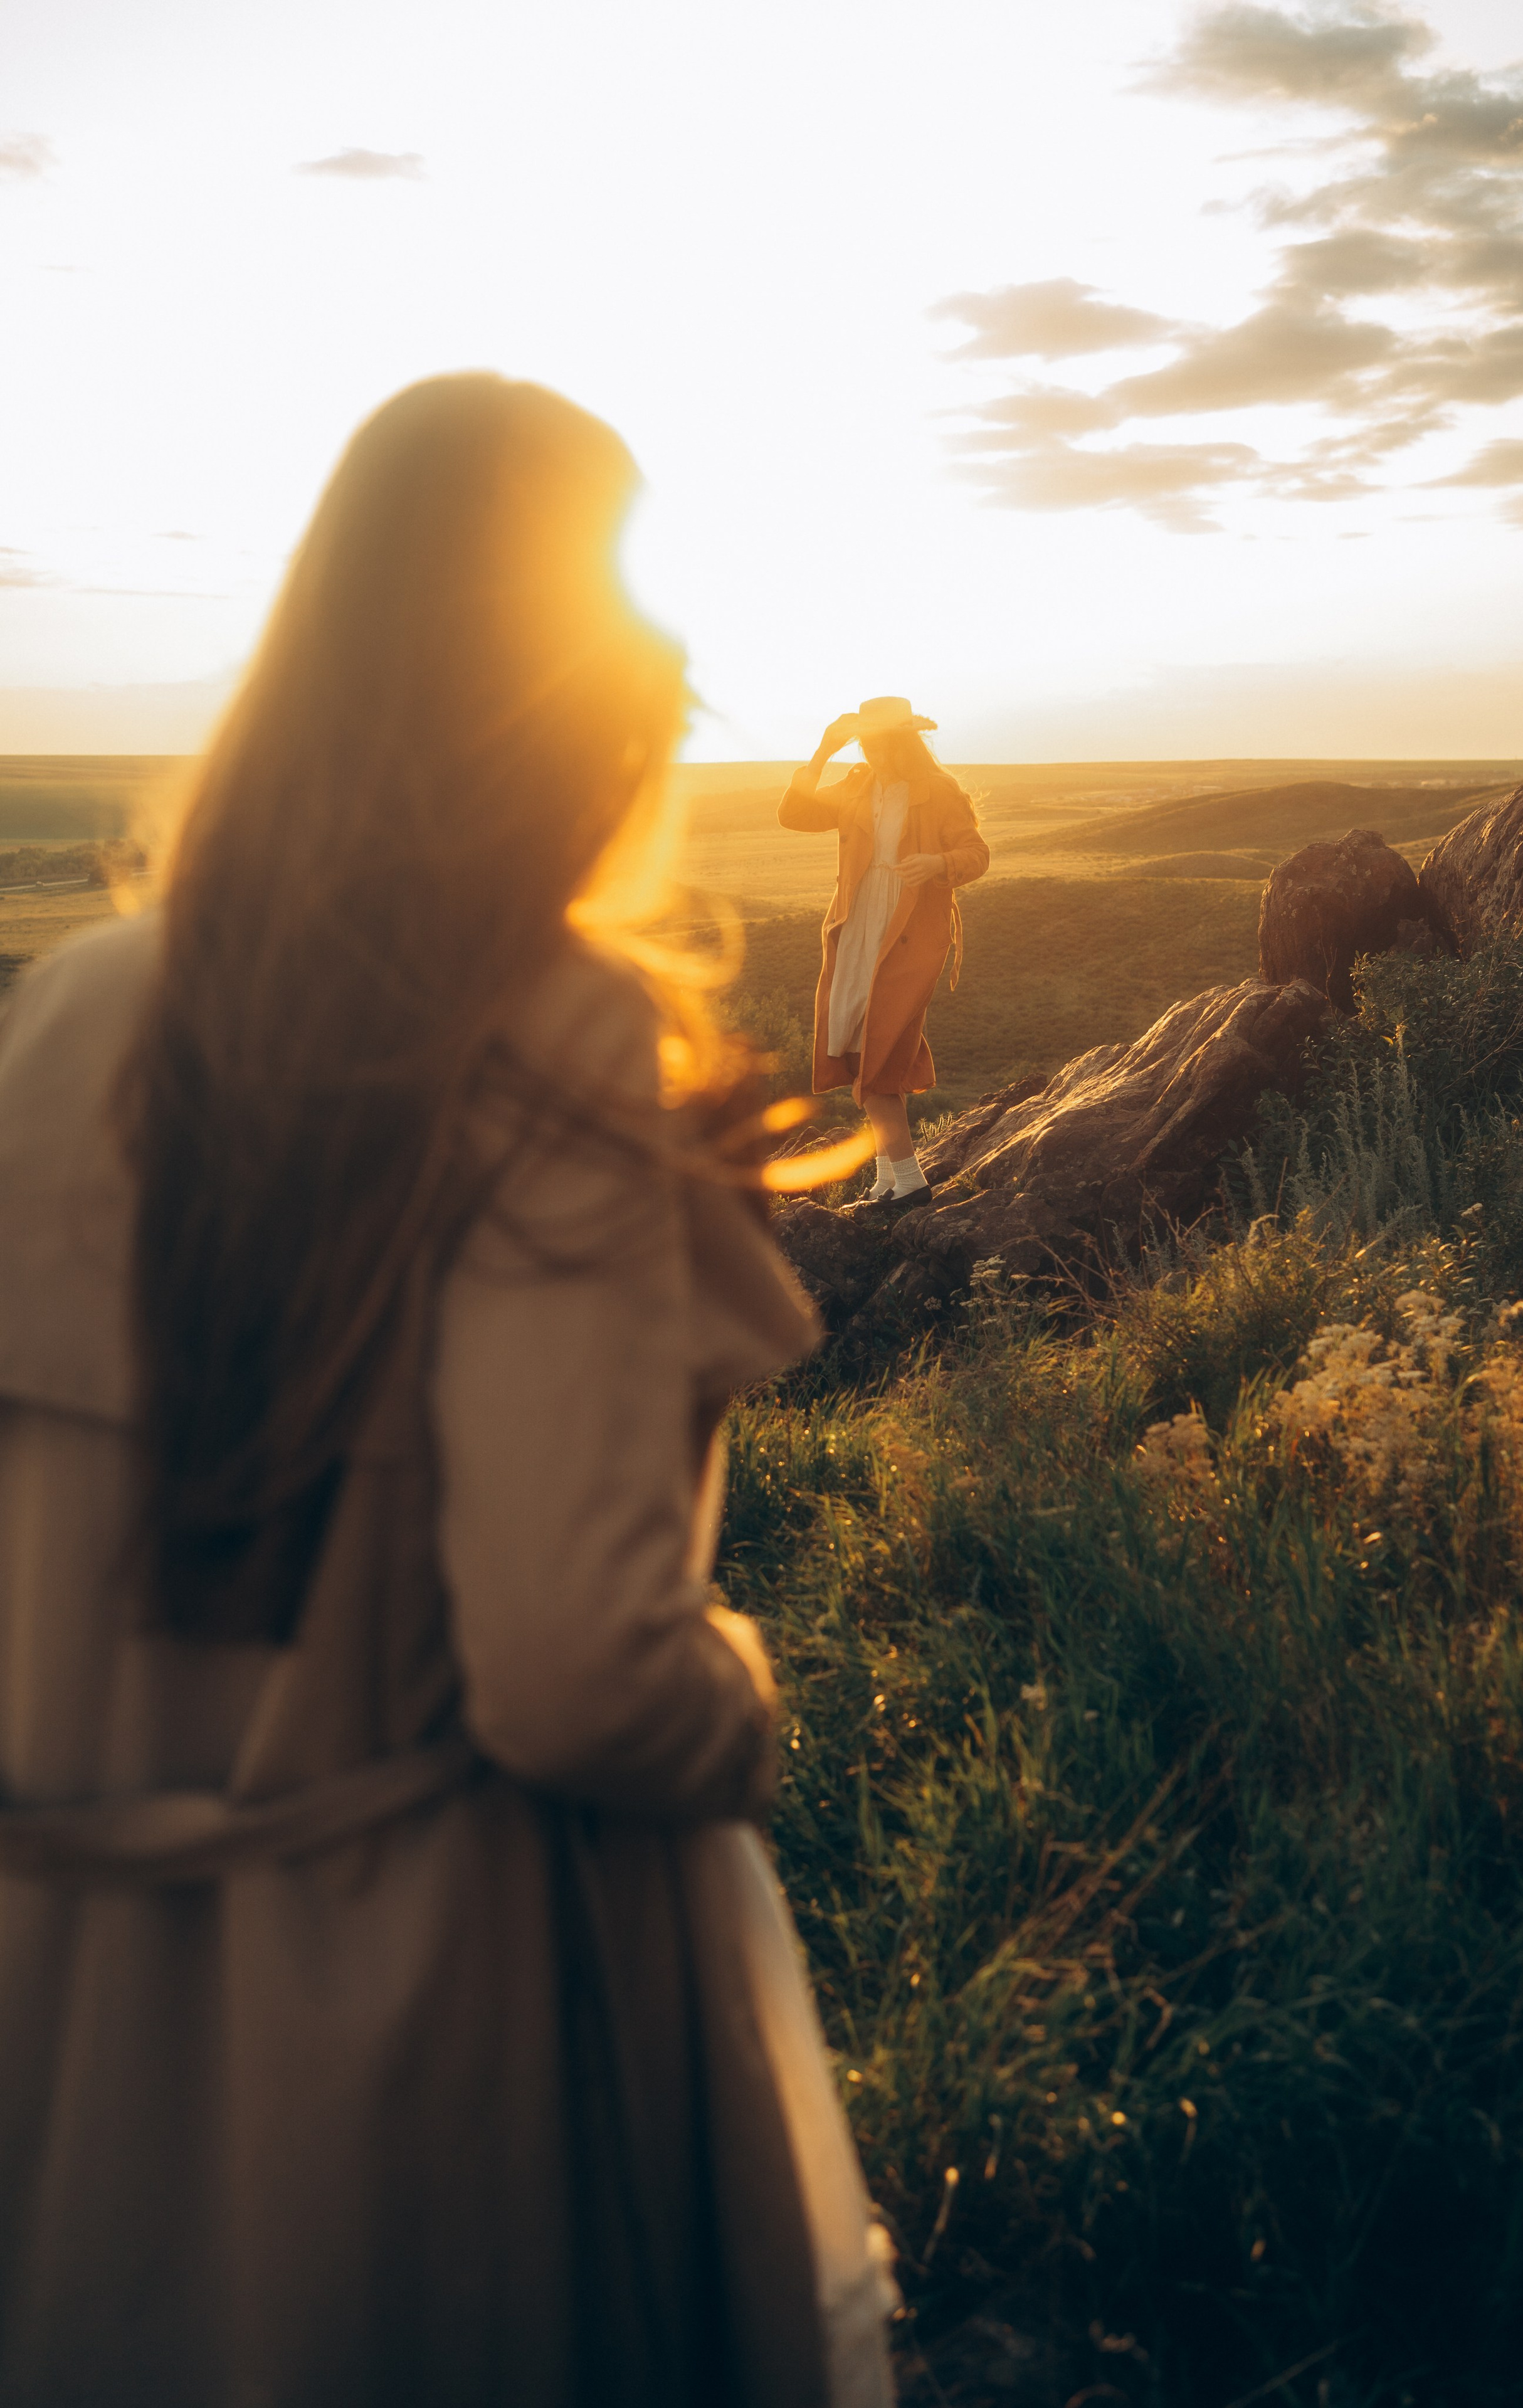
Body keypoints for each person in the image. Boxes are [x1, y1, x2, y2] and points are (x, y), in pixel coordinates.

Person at [0, 376, 896, 2407]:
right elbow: (578, 1667)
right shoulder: (545, 1046)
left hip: (73, 2028)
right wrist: (742, 1704)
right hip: (423, 2050)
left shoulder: (72, 1010)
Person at [779, 700, 988, 1210]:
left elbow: (976, 854)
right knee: (856, 1046)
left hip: (907, 934)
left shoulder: (937, 791)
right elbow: (795, 814)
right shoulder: (857, 783)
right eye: (863, 741)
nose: (870, 749)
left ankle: (910, 1183)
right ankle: (886, 1182)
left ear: (902, 742)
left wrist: (938, 862)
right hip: (856, 926)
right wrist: (824, 750)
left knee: (881, 1049)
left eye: (879, 741)